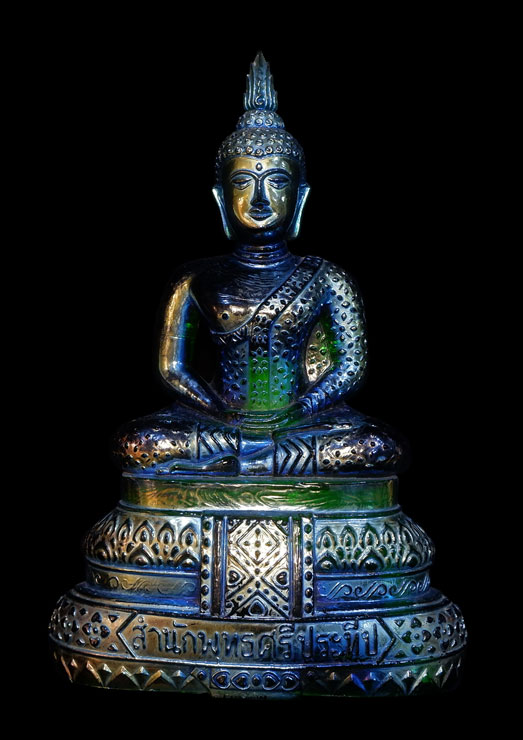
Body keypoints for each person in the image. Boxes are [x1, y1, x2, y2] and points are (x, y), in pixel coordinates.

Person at [113, 53, 407, 477]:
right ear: (221, 198)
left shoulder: (328, 279)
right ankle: (262, 459)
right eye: (243, 182)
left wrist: (297, 411)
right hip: (220, 423)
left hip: (302, 423)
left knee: (377, 446)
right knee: (139, 442)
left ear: (300, 197)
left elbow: (349, 367)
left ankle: (242, 462)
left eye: (277, 182)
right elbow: (172, 368)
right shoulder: (194, 279)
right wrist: (218, 411)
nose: (260, 199)